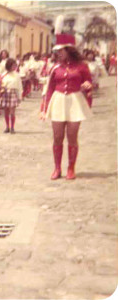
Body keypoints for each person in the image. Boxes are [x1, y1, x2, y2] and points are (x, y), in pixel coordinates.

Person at [40, 15, 93, 180]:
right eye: (56, 51)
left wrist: (88, 88)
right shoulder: (55, 67)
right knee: (57, 136)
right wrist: (44, 108)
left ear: (69, 50)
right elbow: (48, 89)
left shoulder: (82, 66)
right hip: (58, 102)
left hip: (75, 102)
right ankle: (57, 168)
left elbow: (89, 84)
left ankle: (71, 168)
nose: (57, 54)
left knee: (72, 136)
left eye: (60, 51)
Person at [0, 58, 23, 134]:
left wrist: (19, 96)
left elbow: (19, 86)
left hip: (13, 93)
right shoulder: (4, 74)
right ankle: (7, 127)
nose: (15, 67)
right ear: (9, 65)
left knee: (12, 112)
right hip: (5, 93)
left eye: (15, 65)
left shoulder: (17, 75)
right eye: (13, 65)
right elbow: (0, 84)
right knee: (6, 112)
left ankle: (12, 127)